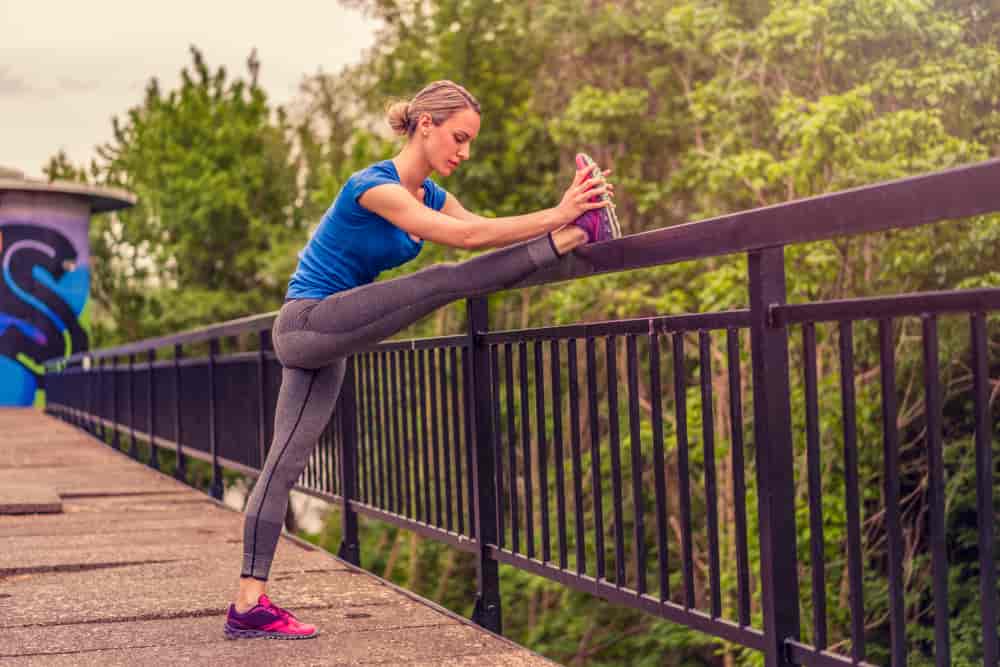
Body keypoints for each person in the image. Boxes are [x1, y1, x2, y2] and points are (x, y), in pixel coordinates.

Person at [223, 80, 617, 640]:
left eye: (470, 141)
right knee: (438, 281)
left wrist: (566, 221)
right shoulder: (372, 187)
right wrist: (560, 217)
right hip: (307, 323)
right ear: (426, 125)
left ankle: (248, 604)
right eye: (459, 137)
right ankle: (573, 236)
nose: (465, 151)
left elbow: (486, 238)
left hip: (331, 335)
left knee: (284, 463)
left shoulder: (430, 194)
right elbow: (467, 240)